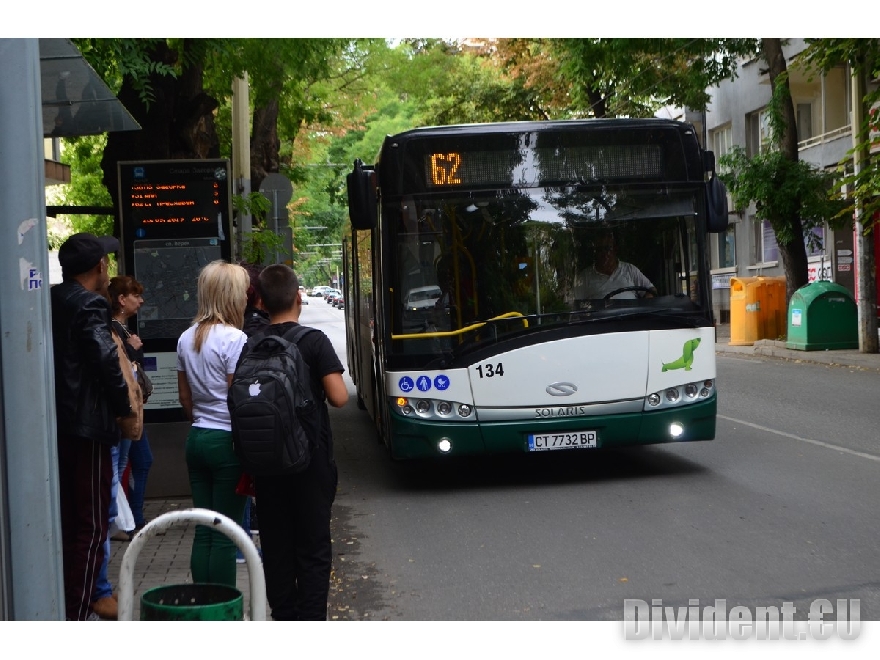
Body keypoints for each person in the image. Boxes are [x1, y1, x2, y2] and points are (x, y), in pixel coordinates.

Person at [237, 264, 348, 620]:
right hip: (310, 460)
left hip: (266, 463)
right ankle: (311, 623)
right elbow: (340, 397)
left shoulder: (250, 344)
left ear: (262, 303)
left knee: (277, 544)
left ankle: (284, 617)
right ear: (299, 297)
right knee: (313, 546)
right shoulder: (314, 341)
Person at [51, 232, 133, 620]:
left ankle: (72, 603)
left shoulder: (53, 298)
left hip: (61, 426)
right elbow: (106, 364)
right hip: (89, 428)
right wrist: (125, 411)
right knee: (93, 523)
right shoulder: (89, 305)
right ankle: (80, 610)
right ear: (100, 266)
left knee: (71, 521)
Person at [176, 260, 250, 588]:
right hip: (227, 443)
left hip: (197, 439)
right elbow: (239, 398)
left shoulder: (186, 338)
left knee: (204, 529)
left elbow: (185, 399)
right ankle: (223, 608)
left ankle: (202, 604)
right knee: (225, 533)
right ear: (232, 296)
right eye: (244, 292)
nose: (247, 298)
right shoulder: (235, 340)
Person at [108, 275, 154, 533]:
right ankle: (126, 521)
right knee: (124, 463)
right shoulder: (115, 330)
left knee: (138, 460)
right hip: (127, 410)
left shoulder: (121, 329)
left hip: (134, 408)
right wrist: (133, 350)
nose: (141, 300)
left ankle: (131, 519)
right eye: (135, 295)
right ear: (122, 299)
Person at [573, 229, 657, 300]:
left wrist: (645, 307)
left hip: (631, 318)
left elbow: (651, 289)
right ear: (595, 252)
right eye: (599, 250)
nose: (604, 253)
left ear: (615, 249)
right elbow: (575, 304)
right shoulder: (585, 277)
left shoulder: (629, 269)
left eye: (607, 248)